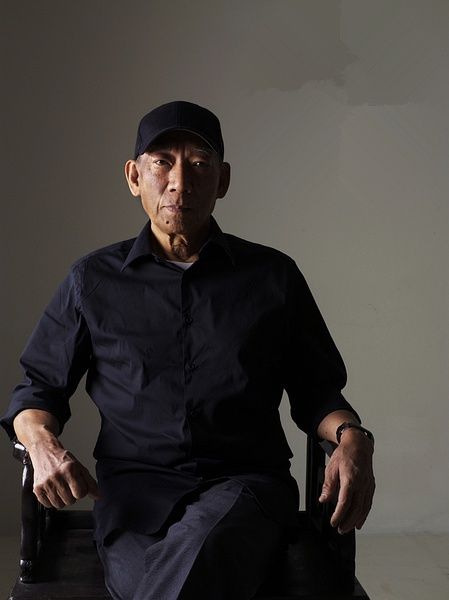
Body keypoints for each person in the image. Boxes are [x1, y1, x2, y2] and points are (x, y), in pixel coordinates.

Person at [0, 100, 375, 600]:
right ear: (134, 177)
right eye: (162, 163)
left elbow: (319, 393)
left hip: (244, 489)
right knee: (159, 583)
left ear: (223, 180)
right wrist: (42, 445)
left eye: (200, 163)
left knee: (198, 556)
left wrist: (354, 438)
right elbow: (37, 390)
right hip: (133, 498)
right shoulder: (92, 280)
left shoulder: (273, 277)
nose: (180, 181)